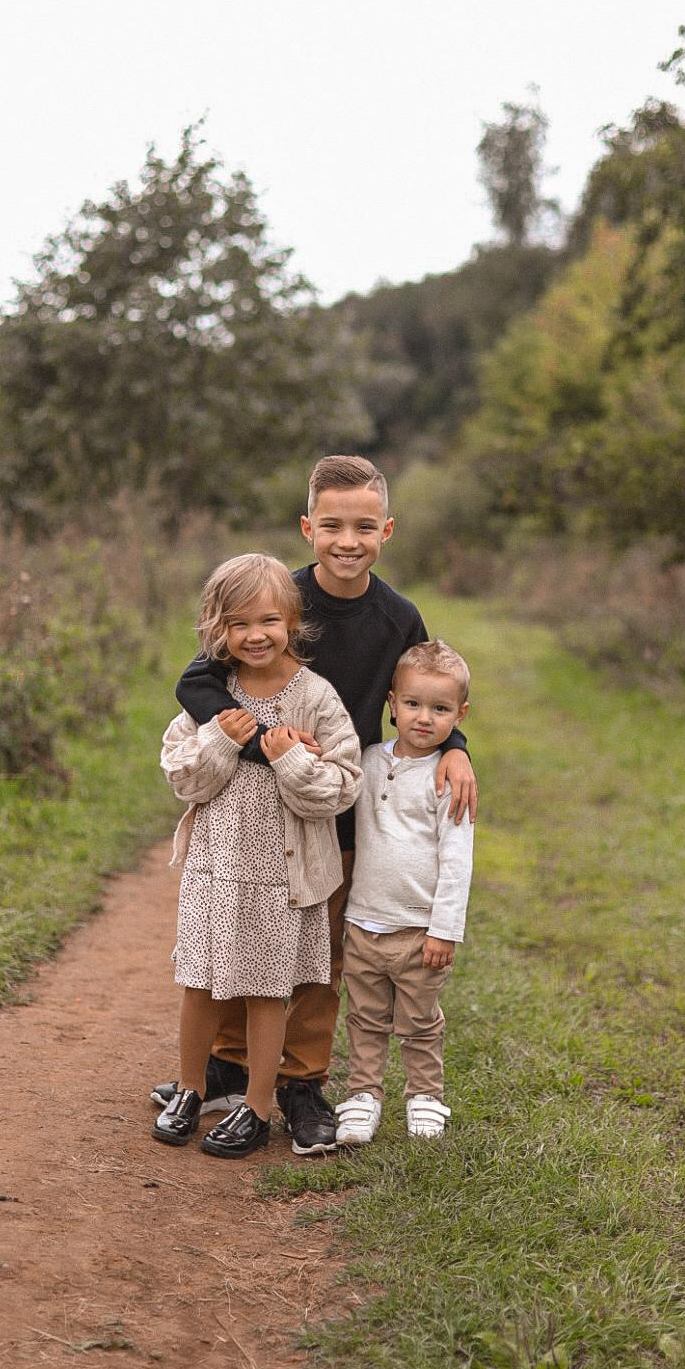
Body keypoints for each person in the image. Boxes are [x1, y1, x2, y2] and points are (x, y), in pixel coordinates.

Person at [151, 454, 478, 1154]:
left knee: (320, 955)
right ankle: (228, 1069)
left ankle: (300, 1082)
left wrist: (459, 747)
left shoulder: (398, 617)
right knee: (241, 946)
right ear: (309, 528)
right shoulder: (277, 600)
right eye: (332, 525)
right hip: (254, 802)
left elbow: (422, 692)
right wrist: (262, 741)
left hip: (340, 803)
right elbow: (197, 683)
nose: (348, 541)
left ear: (385, 530)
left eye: (364, 526)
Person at [152, 553, 361, 1159]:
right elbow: (185, 779)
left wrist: (289, 758)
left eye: (268, 620)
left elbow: (342, 785)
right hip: (215, 872)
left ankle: (258, 1105)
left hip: (282, 882)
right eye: (238, 623)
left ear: (292, 621)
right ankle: (191, 1089)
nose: (255, 635)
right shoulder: (214, 697)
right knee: (199, 983)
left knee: (268, 990)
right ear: (218, 630)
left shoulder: (317, 698)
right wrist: (221, 736)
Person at [334, 640, 474, 1145]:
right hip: (364, 920)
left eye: (439, 710)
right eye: (412, 704)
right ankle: (362, 1097)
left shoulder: (449, 778)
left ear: (460, 715)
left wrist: (444, 930)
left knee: (418, 1022)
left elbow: (458, 862)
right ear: (392, 702)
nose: (423, 718)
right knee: (366, 1018)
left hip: (419, 931)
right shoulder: (369, 760)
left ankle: (425, 1097)